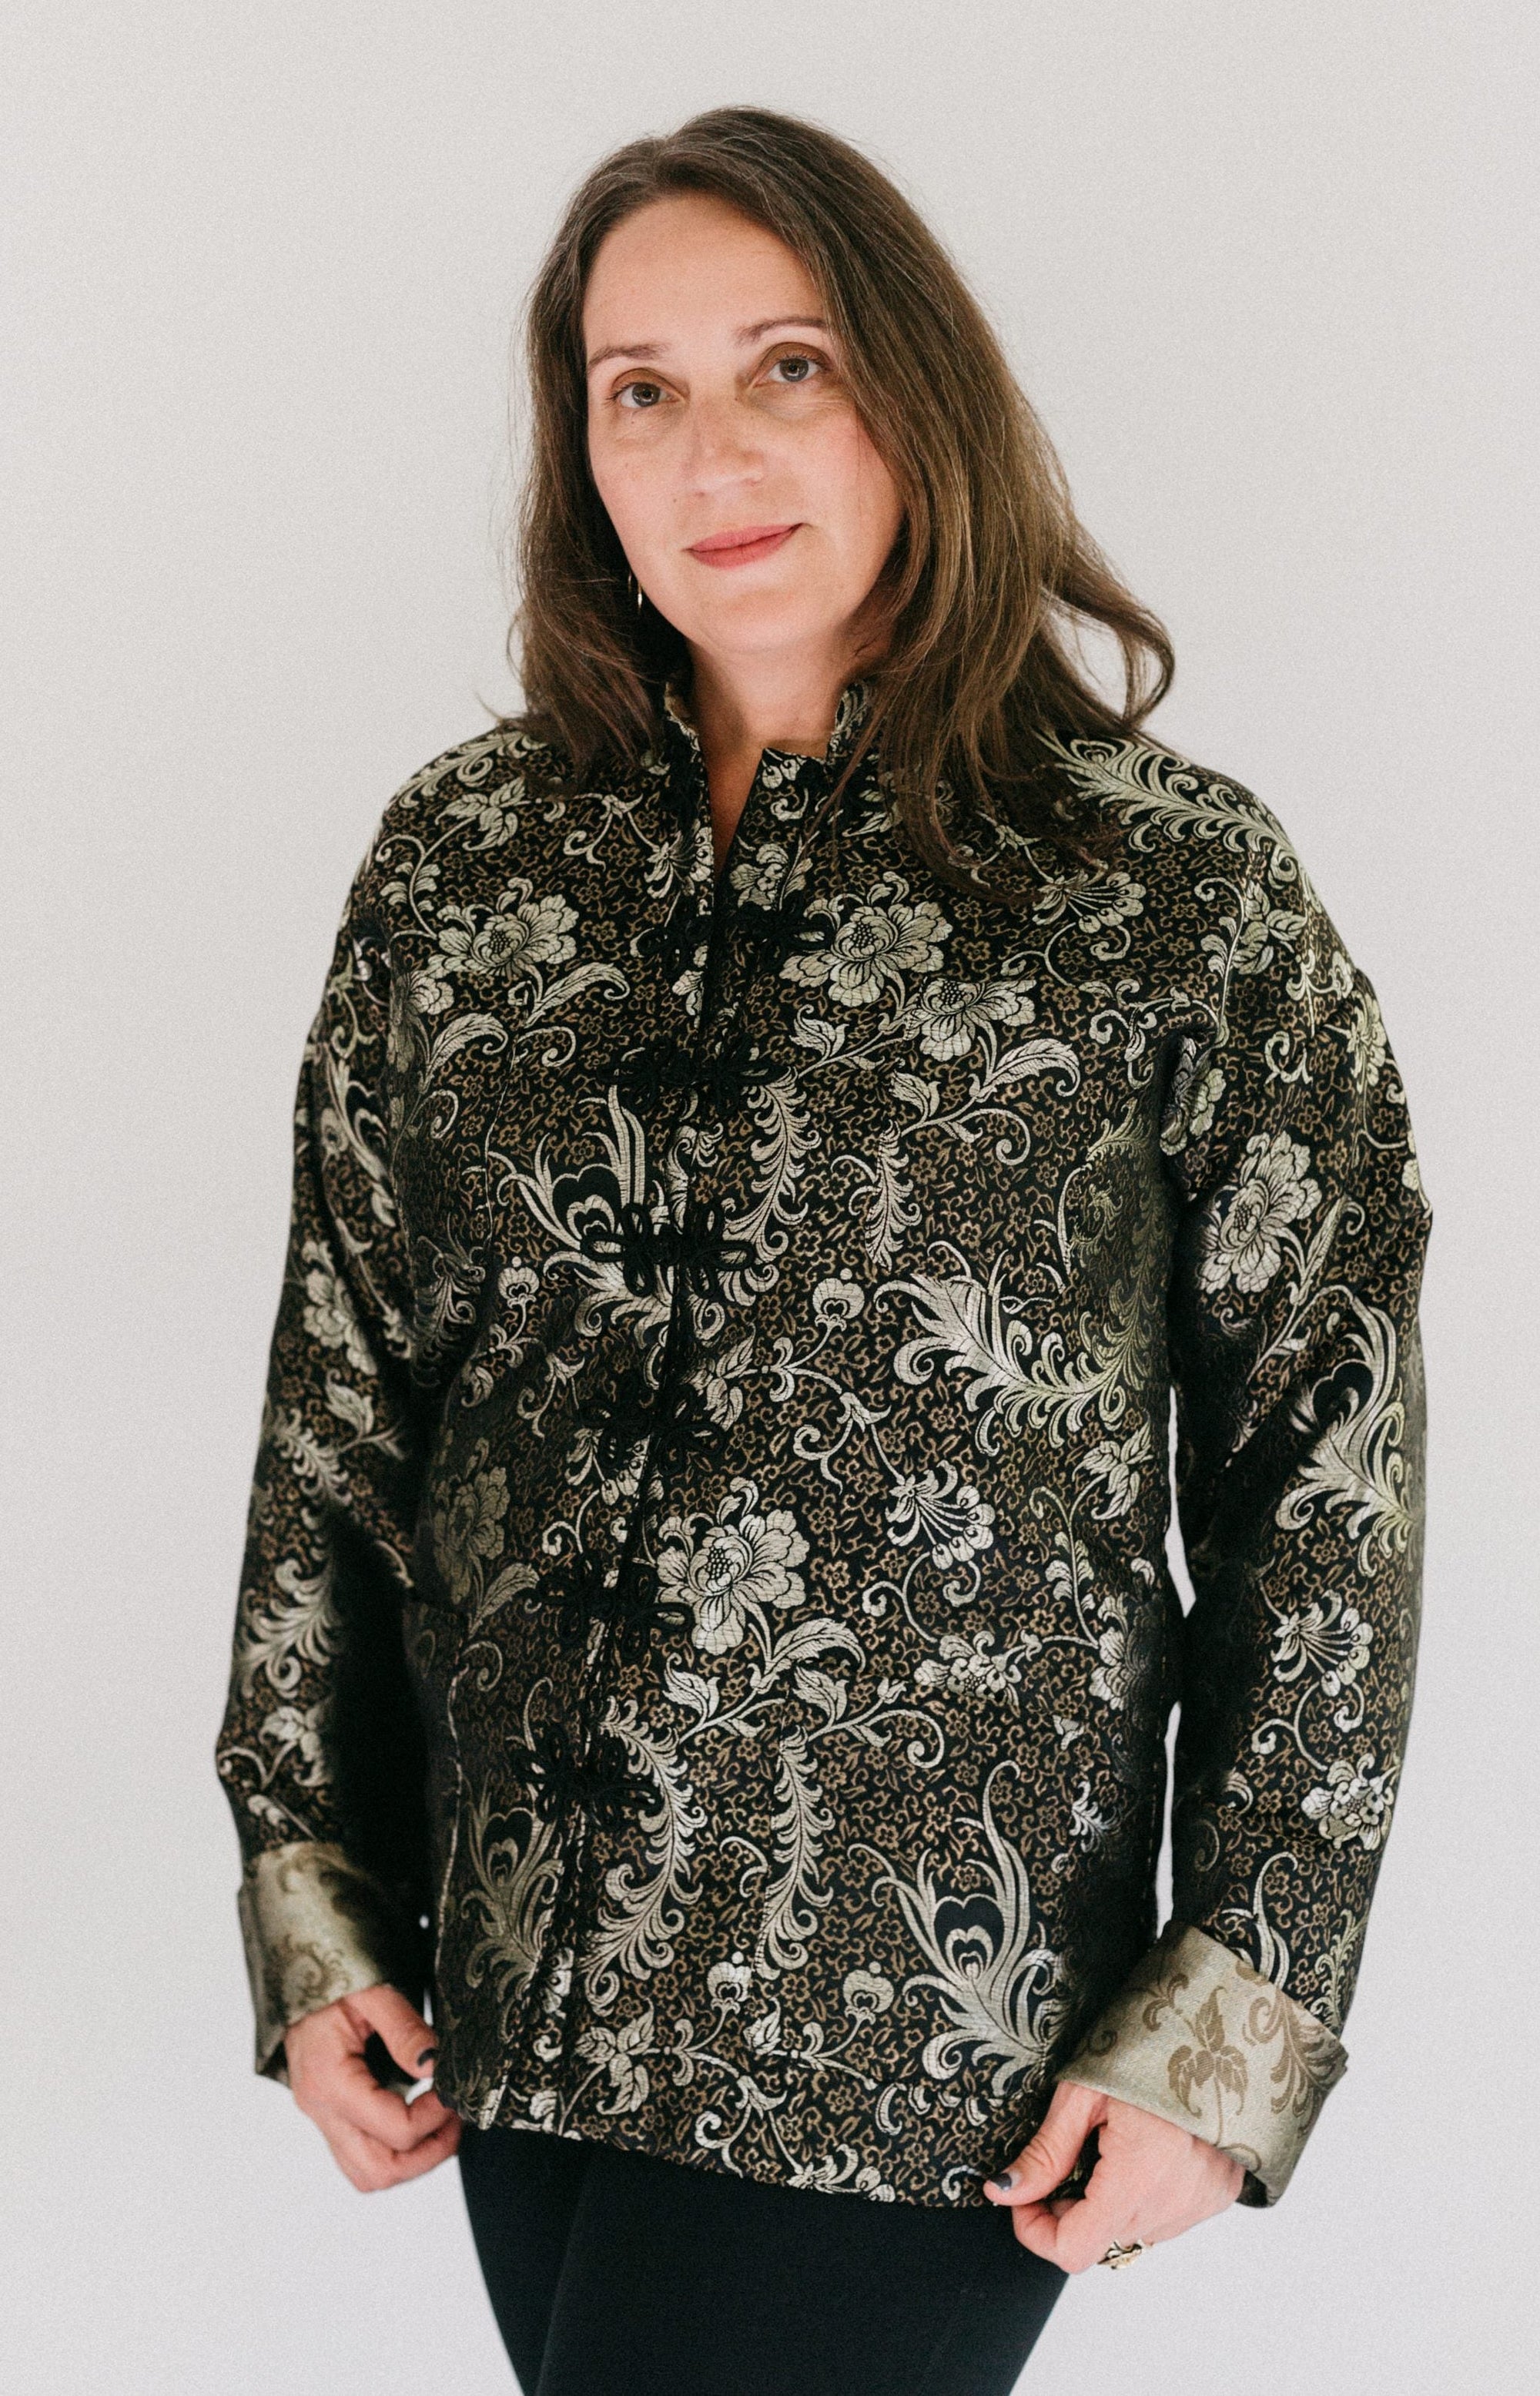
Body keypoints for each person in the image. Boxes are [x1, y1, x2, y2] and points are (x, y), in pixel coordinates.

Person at [216, 106, 1430, 2396]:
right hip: (520, 1986)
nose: (713, 452)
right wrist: (311, 1878)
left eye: (789, 366)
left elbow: (1327, 1473)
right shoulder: (469, 869)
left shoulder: (1167, 897)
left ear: (911, 391)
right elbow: (347, 1397)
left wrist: (1238, 2010)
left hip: (915, 2022)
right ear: (583, 453)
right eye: (638, 390)